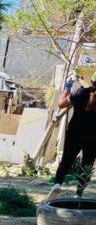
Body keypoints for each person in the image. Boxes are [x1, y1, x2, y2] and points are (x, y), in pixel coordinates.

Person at [47, 72, 96, 200]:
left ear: (92, 80)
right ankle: (79, 193)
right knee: (87, 164)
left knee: (66, 159)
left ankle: (57, 183)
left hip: (75, 132)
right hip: (93, 136)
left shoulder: (80, 93)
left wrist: (67, 88)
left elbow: (61, 104)